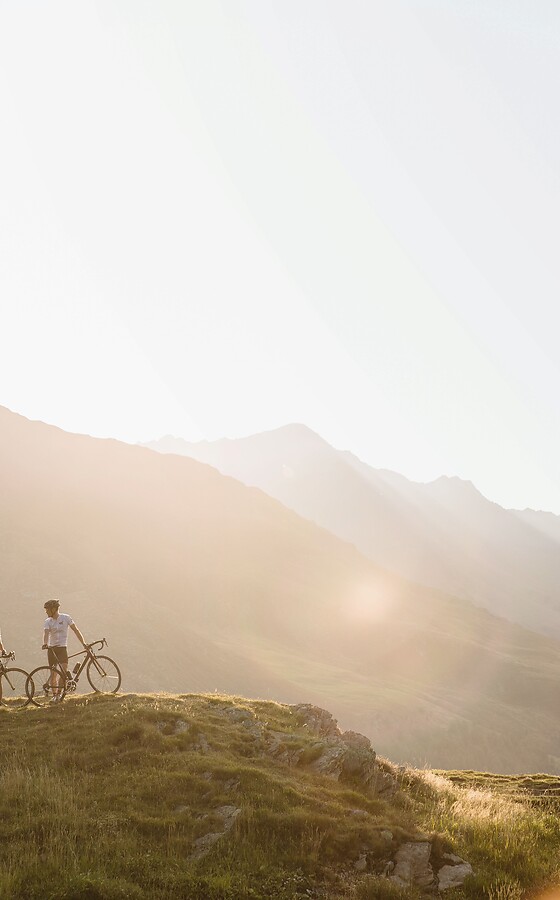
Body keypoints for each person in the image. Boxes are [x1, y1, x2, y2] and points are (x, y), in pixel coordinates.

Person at [42, 599, 88, 702]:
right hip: (52, 649)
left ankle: (59, 695)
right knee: (53, 673)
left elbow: (76, 630)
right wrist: (45, 644)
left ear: (54, 609)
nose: (46, 612)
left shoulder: (66, 618)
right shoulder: (47, 621)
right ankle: (54, 695)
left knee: (63, 672)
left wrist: (84, 643)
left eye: (47, 609)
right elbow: (46, 634)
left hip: (62, 648)